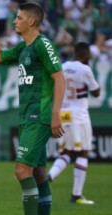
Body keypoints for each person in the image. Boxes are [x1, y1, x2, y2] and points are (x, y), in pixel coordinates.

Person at [0, 2, 65, 215]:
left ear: (31, 21)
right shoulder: (23, 48)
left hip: (39, 116)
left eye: (19, 18)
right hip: (26, 116)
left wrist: (56, 113)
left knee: (22, 170)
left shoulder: (43, 45)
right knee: (39, 174)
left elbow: (59, 78)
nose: (14, 21)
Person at [47, 42, 100, 205]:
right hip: (79, 115)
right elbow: (97, 92)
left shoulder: (62, 66)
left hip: (64, 113)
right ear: (84, 53)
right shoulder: (85, 69)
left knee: (67, 152)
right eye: (89, 54)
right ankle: (76, 195)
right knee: (83, 152)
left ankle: (50, 176)